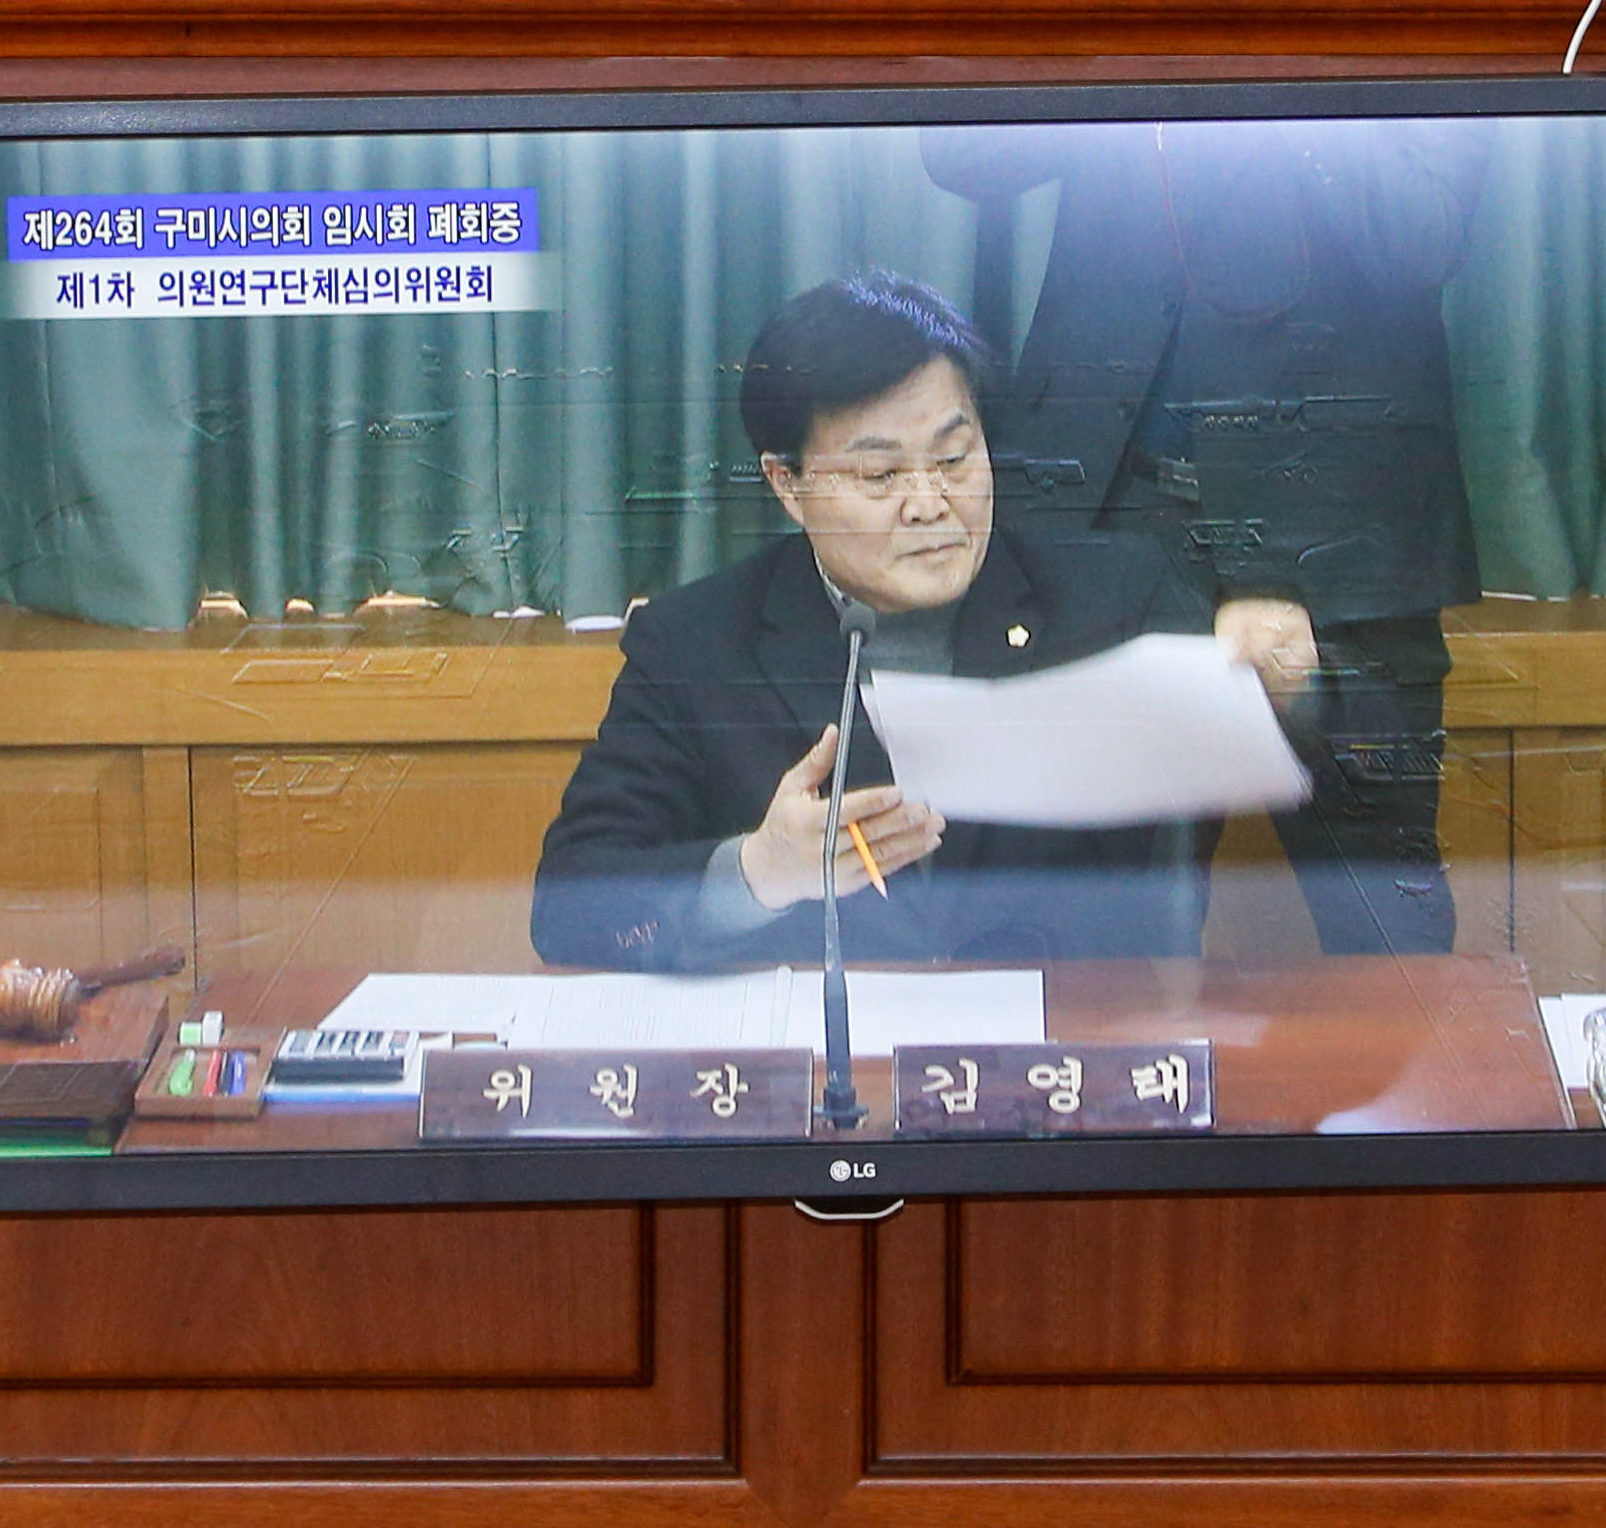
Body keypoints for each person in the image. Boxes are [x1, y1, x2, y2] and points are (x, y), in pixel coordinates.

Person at [530, 271, 1315, 973]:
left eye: (953, 459)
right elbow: (568, 910)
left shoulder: (1116, 597)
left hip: (1071, 1054)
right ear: (788, 484)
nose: (931, 503)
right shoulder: (696, 643)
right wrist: (759, 873)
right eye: (879, 474)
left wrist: (1287, 686)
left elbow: (1306, 750)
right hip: (832, 1061)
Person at [924, 120, 1489, 953]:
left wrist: (1275, 61)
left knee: (1385, 925)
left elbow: (1421, 235)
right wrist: (1132, 43)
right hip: (1114, 519)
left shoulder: (1407, 30)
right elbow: (959, 153)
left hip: (1337, 538)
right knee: (1100, 944)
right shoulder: (1126, 29)